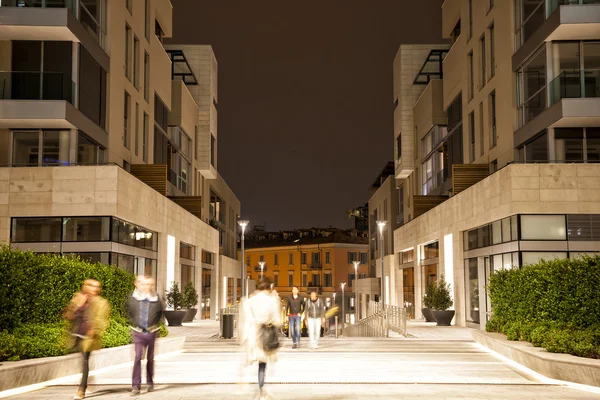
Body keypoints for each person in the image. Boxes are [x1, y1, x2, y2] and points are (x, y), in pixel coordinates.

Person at [65, 279, 110, 400]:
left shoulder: (102, 302)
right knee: (82, 360)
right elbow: (69, 316)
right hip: (77, 334)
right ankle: (87, 381)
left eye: (96, 286)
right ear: (84, 286)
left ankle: (81, 390)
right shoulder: (78, 297)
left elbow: (103, 320)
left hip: (89, 337)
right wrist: (78, 304)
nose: (94, 288)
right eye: (90, 285)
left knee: (85, 360)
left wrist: (95, 331)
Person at [240, 278, 282, 400]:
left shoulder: (250, 300)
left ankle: (259, 389)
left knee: (257, 361)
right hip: (266, 334)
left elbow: (247, 319)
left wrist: (244, 337)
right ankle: (261, 389)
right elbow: (277, 319)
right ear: (268, 288)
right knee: (263, 364)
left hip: (254, 334)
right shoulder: (272, 300)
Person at [127, 276, 164, 395]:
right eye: (146, 284)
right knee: (138, 357)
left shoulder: (156, 299)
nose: (148, 287)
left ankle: (150, 382)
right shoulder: (134, 299)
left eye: (150, 284)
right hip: (138, 332)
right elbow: (130, 312)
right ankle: (136, 386)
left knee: (150, 358)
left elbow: (159, 314)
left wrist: (154, 325)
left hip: (151, 332)